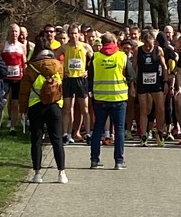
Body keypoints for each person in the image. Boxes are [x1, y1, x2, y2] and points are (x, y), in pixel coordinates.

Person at [18, 37, 68, 184]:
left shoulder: (31, 68)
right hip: (55, 106)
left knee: (36, 140)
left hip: (36, 106)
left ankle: (37, 173)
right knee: (57, 139)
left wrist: (22, 109)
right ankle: (61, 173)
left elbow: (24, 91)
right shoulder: (58, 65)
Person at [89, 32, 135, 169]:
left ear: (102, 43)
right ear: (114, 42)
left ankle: (94, 160)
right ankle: (119, 161)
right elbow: (131, 76)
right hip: (118, 98)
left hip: (100, 99)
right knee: (119, 129)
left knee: (98, 128)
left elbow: (90, 77)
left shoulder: (96, 57)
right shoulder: (122, 56)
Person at [57, 23, 92, 144]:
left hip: (81, 80)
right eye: (71, 33)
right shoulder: (64, 47)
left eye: (75, 33)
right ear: (68, 34)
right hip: (69, 80)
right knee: (67, 108)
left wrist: (88, 71)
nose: (73, 36)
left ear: (79, 34)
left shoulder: (85, 46)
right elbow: (54, 59)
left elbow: (94, 60)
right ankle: (65, 134)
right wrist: (62, 71)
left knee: (84, 108)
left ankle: (88, 134)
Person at [133, 31, 169, 147]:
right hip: (143, 83)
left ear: (154, 42)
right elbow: (134, 67)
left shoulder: (158, 50)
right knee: (144, 109)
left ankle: (159, 132)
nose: (148, 48)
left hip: (156, 83)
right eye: (146, 45)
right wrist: (132, 84)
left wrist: (166, 82)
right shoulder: (138, 51)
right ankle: (144, 135)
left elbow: (164, 67)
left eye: (150, 45)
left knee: (160, 108)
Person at [0, 23, 26, 136]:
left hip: (17, 78)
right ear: (8, 32)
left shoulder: (22, 46)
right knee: (2, 102)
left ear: (19, 33)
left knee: (15, 103)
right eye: (12, 31)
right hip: (5, 78)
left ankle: (13, 127)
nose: (14, 34)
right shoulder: (3, 45)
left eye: (16, 31)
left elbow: (24, 62)